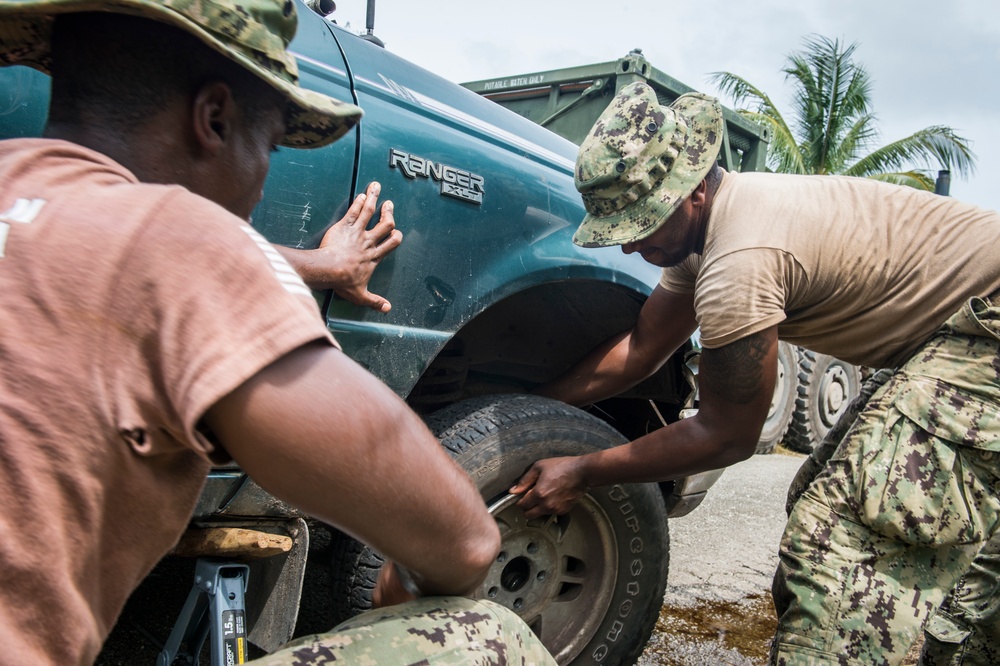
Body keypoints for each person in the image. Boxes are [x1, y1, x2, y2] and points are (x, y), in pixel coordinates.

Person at [0, 0, 554, 664]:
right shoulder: (189, 245)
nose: (263, 187)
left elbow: (92, 247)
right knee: (489, 642)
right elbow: (464, 541)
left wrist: (307, 268)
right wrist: (409, 581)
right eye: (269, 146)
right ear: (214, 118)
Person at [510, 81, 1000, 665]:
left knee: (838, 548)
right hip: (949, 341)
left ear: (691, 191)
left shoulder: (740, 262)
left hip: (983, 337)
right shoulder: (705, 232)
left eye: (642, 222)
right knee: (878, 517)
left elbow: (728, 435)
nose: (631, 243)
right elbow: (642, 348)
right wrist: (525, 411)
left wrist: (584, 470)